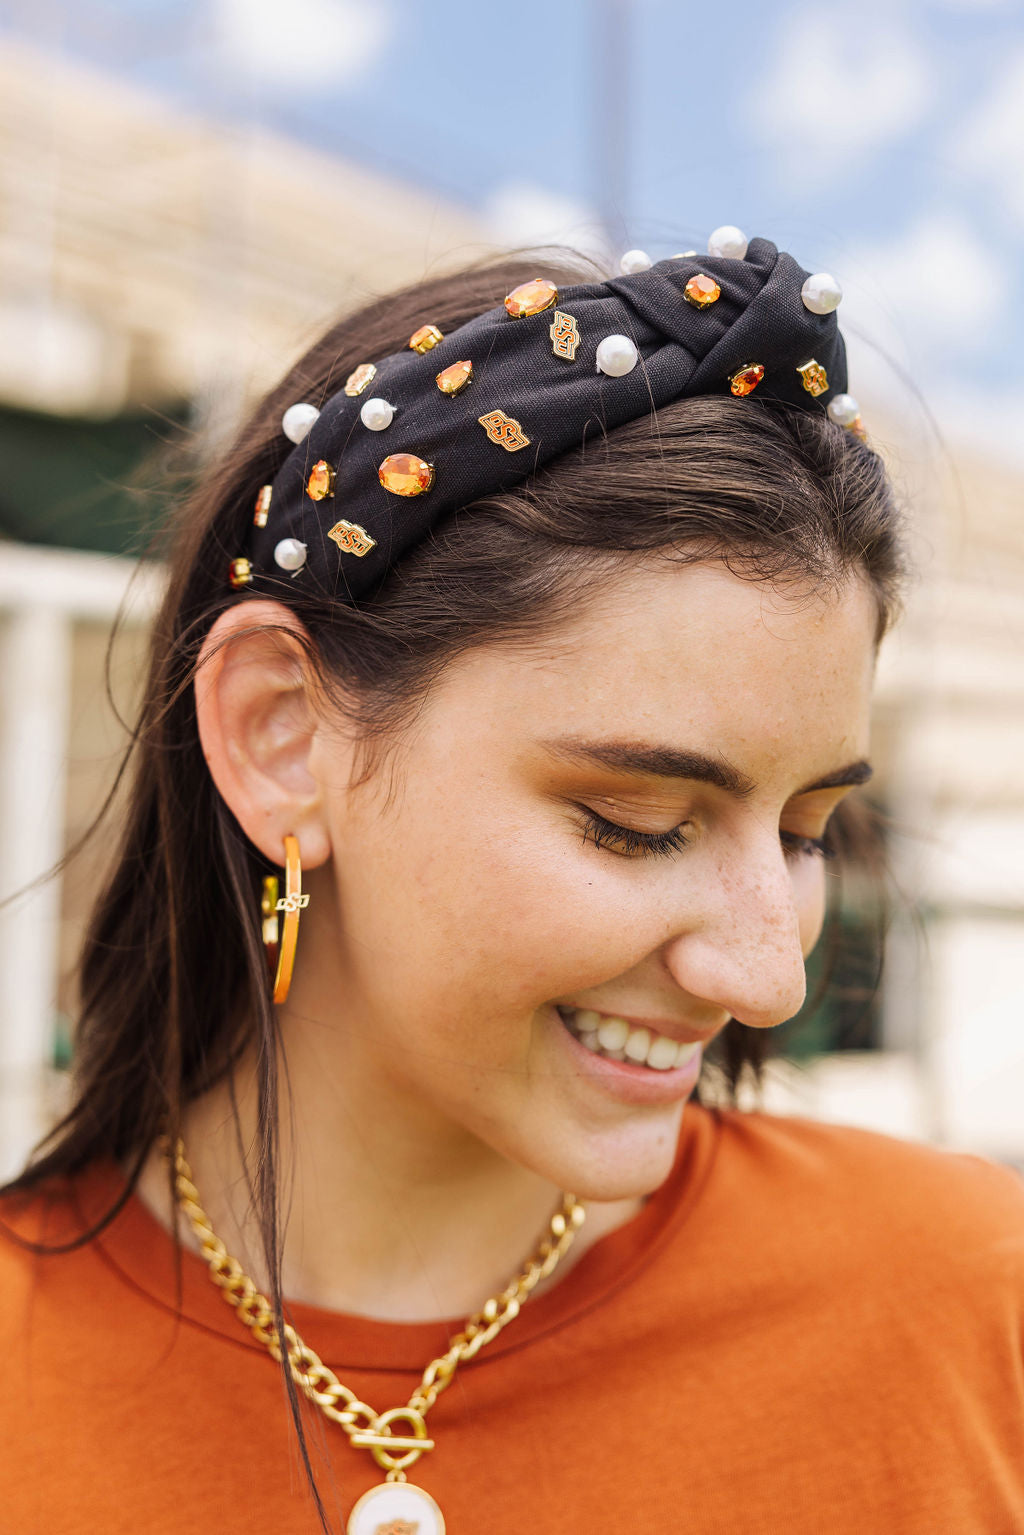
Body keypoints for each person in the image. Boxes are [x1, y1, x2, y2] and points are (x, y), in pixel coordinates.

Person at [2, 232, 1022, 1535]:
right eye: (634, 821)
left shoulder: (966, 1305)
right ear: (281, 736)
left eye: (809, 831)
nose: (768, 979)